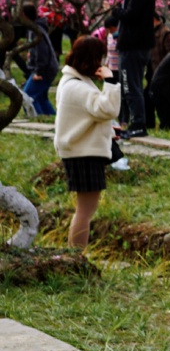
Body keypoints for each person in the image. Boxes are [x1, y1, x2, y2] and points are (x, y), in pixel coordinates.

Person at [53, 35, 122, 248]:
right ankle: (76, 258)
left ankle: (75, 257)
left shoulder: (72, 82)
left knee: (84, 211)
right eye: (99, 58)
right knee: (85, 212)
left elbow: (90, 114)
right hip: (83, 154)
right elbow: (107, 109)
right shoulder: (77, 87)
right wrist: (111, 81)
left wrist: (108, 127)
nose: (101, 64)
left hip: (80, 151)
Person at [112, 0, 156, 139]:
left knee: (131, 86)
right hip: (136, 45)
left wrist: (114, 11)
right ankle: (135, 123)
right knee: (132, 85)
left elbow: (131, 16)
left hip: (133, 46)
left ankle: (138, 124)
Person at [20, 3, 57, 116]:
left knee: (28, 97)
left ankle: (37, 119)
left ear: (25, 16)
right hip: (48, 68)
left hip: (44, 70)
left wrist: (38, 72)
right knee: (41, 98)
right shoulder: (35, 28)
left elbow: (42, 52)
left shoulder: (36, 31)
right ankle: (52, 118)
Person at [145, 11, 170, 129]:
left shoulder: (165, 33)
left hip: (161, 73)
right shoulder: (151, 32)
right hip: (151, 71)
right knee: (147, 98)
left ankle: (166, 124)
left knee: (159, 100)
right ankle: (150, 124)